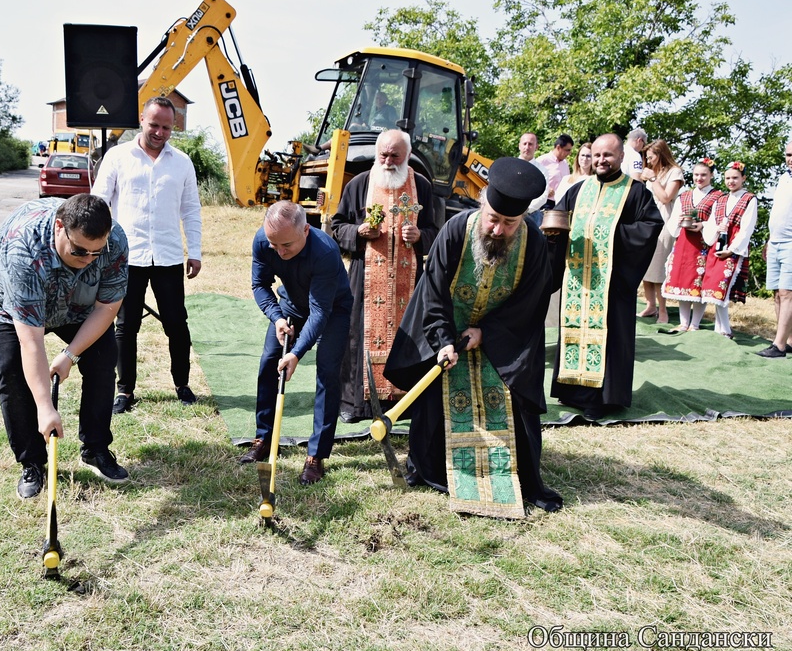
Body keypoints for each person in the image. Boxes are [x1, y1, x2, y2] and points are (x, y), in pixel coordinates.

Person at [383, 157, 563, 517]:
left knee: (513, 402)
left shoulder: (534, 244)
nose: (498, 230)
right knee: (436, 402)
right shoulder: (455, 230)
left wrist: (487, 333)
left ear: (523, 218)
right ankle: (430, 467)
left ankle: (519, 475)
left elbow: (530, 303)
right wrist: (443, 338)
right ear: (483, 203)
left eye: (509, 224)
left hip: (501, 341)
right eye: (493, 219)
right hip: (450, 330)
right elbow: (432, 291)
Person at [0, 194, 131, 499]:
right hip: (10, 306)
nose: (88, 259)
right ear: (60, 227)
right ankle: (33, 462)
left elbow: (106, 308)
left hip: (77, 304)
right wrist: (46, 408)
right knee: (12, 369)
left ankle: (96, 448)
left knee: (102, 358)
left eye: (95, 253)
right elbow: (31, 339)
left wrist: (70, 355)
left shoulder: (115, 241)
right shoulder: (25, 248)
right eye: (79, 251)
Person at [91, 96, 202, 412]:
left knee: (177, 324)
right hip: (127, 257)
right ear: (142, 119)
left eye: (167, 127)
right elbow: (99, 203)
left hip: (168, 257)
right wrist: (100, 249)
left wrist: (194, 251)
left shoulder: (182, 162)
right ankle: (125, 391)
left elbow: (191, 210)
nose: (160, 132)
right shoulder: (118, 157)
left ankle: (182, 384)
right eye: (154, 124)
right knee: (125, 327)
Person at [549, 133, 664, 420]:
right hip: (577, 280)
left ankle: (604, 398)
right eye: (597, 155)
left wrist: (612, 235)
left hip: (612, 283)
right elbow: (557, 219)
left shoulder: (635, 192)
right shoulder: (579, 189)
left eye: (608, 155)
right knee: (574, 331)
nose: (601, 160)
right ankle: (572, 389)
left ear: (621, 157)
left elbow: (650, 225)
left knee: (609, 336)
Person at [240, 202, 353, 484]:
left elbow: (319, 313)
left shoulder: (325, 252)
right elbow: (259, 285)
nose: (279, 252)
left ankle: (316, 456)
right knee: (269, 362)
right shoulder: (262, 240)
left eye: (286, 245)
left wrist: (297, 353)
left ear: (306, 229)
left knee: (327, 372)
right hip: (289, 307)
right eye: (273, 244)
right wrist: (277, 317)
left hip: (331, 310)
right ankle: (263, 438)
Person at [330, 130, 438, 422]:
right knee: (356, 337)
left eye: (395, 156)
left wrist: (420, 236)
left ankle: (402, 404)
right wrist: (359, 232)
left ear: (407, 156)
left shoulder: (422, 187)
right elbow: (336, 227)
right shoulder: (359, 184)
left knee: (408, 337)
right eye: (384, 155)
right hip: (365, 278)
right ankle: (355, 405)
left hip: (409, 282)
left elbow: (435, 231)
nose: (389, 162)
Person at [662, 158, 725, 332]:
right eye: (696, 174)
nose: (699, 178)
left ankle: (695, 323)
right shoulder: (685, 195)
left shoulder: (718, 197)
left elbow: (718, 220)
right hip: (684, 242)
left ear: (711, 175)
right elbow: (673, 220)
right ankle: (683, 322)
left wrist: (703, 225)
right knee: (682, 280)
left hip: (703, 244)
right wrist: (680, 220)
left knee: (699, 282)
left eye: (703, 175)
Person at [701, 161, 757, 339]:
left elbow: (747, 228)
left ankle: (724, 329)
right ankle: (720, 328)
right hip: (718, 246)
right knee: (714, 286)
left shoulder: (749, 199)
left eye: (735, 178)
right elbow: (711, 223)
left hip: (734, 248)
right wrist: (713, 235)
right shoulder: (721, 200)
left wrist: (732, 250)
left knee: (722, 285)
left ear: (743, 178)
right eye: (727, 178)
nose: (731, 181)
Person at [637, 139, 685, 323]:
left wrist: (653, 179)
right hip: (646, 223)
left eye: (651, 157)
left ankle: (663, 310)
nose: (648, 161)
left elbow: (666, 197)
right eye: (646, 158)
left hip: (665, 223)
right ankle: (650, 306)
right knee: (646, 267)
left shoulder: (675, 172)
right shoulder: (652, 172)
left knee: (658, 269)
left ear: (661, 154)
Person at [757, 142, 792, 358]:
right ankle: (788, 340)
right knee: (778, 294)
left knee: (788, 292)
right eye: (788, 154)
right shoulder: (783, 178)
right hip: (776, 242)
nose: (791, 158)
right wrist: (769, 239)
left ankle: (778, 345)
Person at [516, 132, 547, 227]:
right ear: (519, 146)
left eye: (530, 144)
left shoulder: (542, 170)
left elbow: (544, 196)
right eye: (524, 144)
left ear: (536, 147)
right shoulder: (510, 166)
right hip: (509, 214)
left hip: (533, 216)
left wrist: (525, 210)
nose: (527, 147)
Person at [536, 134, 574, 208]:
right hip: (544, 204)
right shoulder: (542, 161)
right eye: (567, 150)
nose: (569, 153)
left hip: (562, 204)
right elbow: (532, 181)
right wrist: (545, 189)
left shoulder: (565, 163)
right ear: (558, 147)